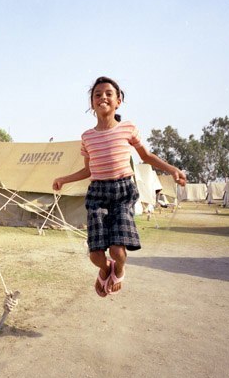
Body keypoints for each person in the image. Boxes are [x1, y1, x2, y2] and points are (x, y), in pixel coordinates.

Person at [52, 76, 186, 297]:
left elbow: (147, 156)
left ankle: (120, 270)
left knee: (117, 250)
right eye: (97, 94)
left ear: (118, 101)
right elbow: (88, 170)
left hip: (123, 192)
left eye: (108, 94)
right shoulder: (87, 137)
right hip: (97, 193)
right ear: (91, 104)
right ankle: (105, 270)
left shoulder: (128, 128)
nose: (102, 97)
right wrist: (64, 179)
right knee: (95, 254)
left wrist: (172, 169)